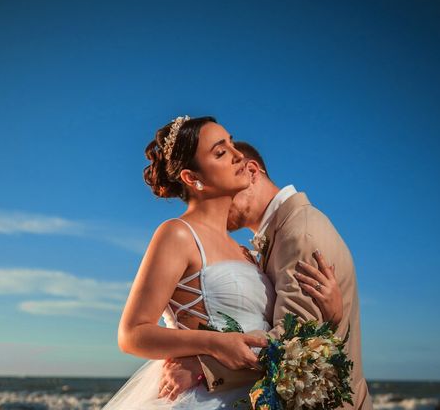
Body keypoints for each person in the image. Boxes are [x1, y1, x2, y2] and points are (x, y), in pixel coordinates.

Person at [103, 116, 342, 410]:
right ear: (192, 178)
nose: (238, 155)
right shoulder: (177, 234)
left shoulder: (245, 251)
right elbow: (132, 334)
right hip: (202, 398)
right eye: (220, 152)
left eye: (231, 143)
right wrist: (213, 344)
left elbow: (280, 333)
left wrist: (330, 318)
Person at [158, 141, 373, 410]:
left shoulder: (300, 234)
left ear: (250, 171)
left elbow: (295, 340)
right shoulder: (282, 234)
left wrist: (203, 365)